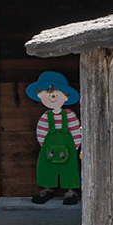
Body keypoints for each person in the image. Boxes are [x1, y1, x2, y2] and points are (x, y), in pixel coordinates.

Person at [27, 72, 82, 205]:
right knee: (47, 168)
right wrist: (44, 145)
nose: (51, 98)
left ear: (66, 96)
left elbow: (75, 129)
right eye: (48, 95)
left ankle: (71, 191)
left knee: (69, 169)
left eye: (55, 95)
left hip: (69, 149)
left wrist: (75, 146)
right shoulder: (46, 116)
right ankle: (47, 188)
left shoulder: (69, 115)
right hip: (48, 149)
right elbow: (41, 130)